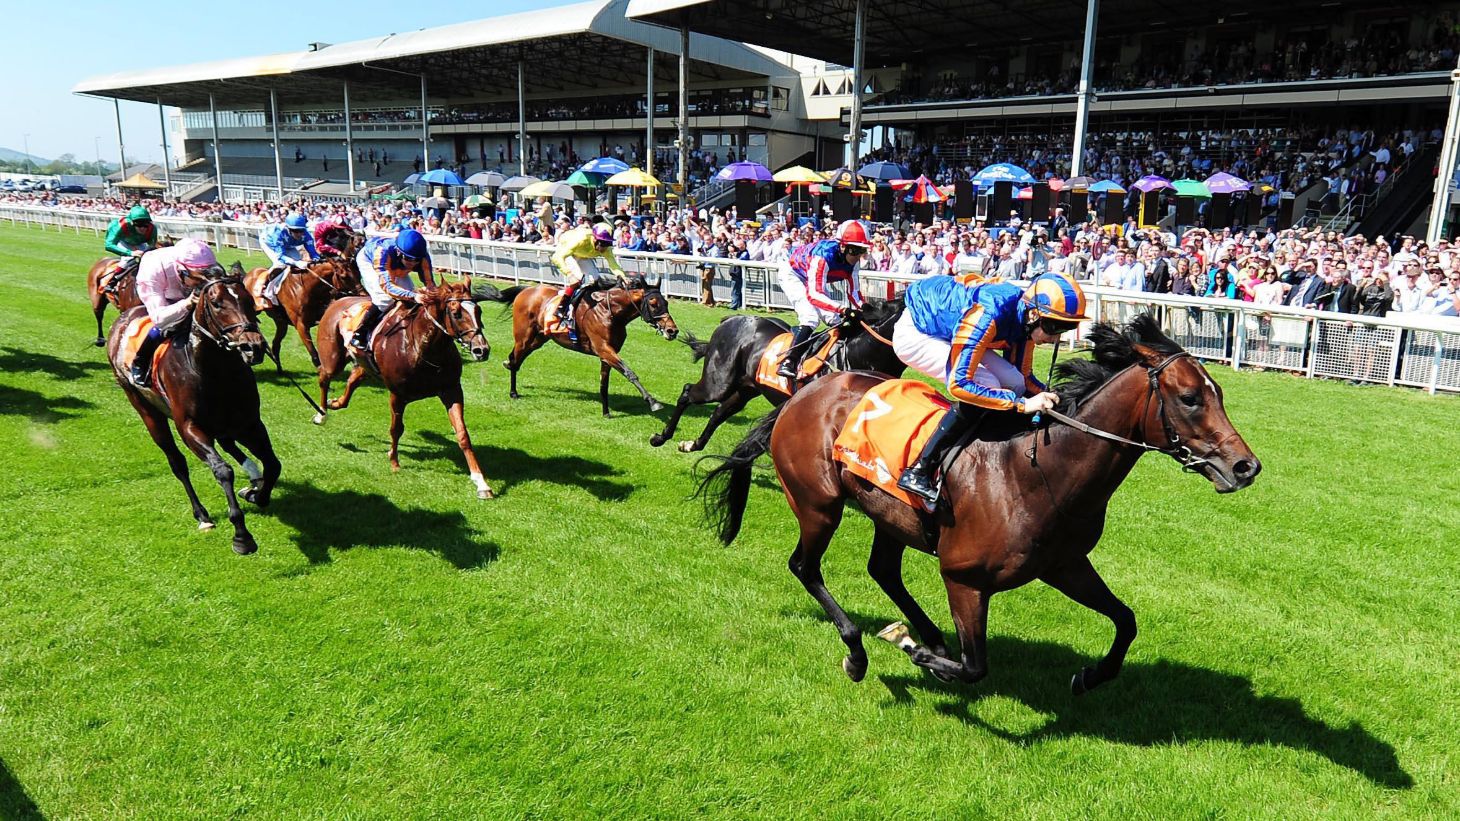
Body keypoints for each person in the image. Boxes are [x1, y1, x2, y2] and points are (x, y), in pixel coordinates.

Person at [894, 272, 1087, 504]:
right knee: (988, 384)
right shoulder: (988, 314)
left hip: (950, 327)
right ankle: (920, 470)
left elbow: (1023, 379)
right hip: (918, 331)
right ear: (1035, 314)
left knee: (1013, 381)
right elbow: (959, 384)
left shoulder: (1025, 319)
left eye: (1063, 330)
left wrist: (1053, 396)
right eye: (1054, 328)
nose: (1056, 339)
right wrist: (1022, 404)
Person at [775, 220, 869, 380]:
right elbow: (814, 294)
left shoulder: (855, 263)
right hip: (793, 273)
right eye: (854, 250)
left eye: (862, 250)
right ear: (842, 246)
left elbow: (853, 292)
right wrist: (844, 309)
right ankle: (789, 360)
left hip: (813, 280)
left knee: (835, 320)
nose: (857, 256)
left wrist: (865, 309)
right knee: (810, 317)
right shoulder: (824, 255)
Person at [129, 239, 220, 388]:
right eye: (198, 279)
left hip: (180, 277)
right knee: (169, 326)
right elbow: (159, 318)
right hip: (162, 288)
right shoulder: (152, 271)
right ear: (181, 270)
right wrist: (187, 303)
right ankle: (140, 361)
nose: (202, 282)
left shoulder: (206, 266)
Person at [350, 229, 434, 352]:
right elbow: (387, 286)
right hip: (369, 261)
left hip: (395, 265)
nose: (413, 263)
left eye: (416, 260)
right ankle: (360, 332)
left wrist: (431, 292)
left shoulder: (423, 257)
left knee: (411, 299)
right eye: (409, 259)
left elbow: (430, 284)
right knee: (384, 298)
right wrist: (413, 295)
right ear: (399, 252)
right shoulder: (383, 252)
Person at [550, 222, 627, 342]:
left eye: (607, 244)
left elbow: (613, 264)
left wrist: (622, 276)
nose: (604, 248)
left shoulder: (606, 248)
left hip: (583, 255)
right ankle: (562, 308)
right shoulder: (581, 240)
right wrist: (569, 274)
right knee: (578, 278)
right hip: (566, 251)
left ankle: (584, 306)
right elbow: (557, 257)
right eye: (602, 243)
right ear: (595, 239)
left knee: (594, 279)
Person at [258, 212, 318, 308]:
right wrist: (296, 262)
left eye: (301, 230)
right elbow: (280, 256)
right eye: (295, 231)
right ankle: (265, 290)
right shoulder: (279, 234)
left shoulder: (305, 234)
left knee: (298, 262)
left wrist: (317, 259)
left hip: (288, 245)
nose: (299, 233)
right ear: (288, 228)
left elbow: (313, 252)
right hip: (269, 243)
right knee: (280, 264)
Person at [102, 204, 158, 291]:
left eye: (145, 225)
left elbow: (152, 246)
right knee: (127, 260)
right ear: (132, 222)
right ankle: (112, 282)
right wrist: (130, 253)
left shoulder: (152, 229)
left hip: (140, 243)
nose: (143, 228)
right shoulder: (121, 226)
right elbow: (108, 245)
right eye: (139, 225)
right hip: (123, 241)